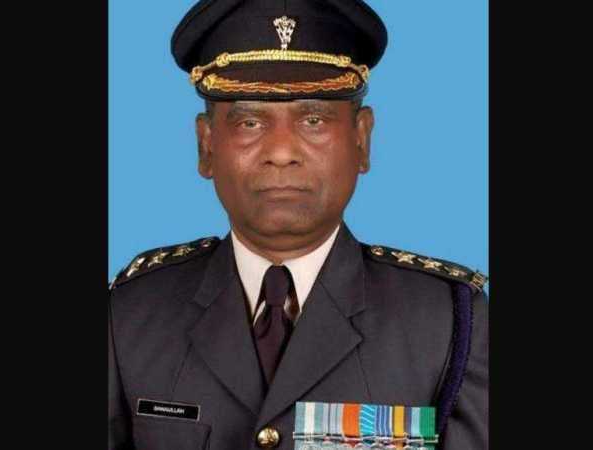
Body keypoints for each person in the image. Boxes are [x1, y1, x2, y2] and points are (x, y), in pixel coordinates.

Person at [108, 1, 488, 449]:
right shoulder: (129, 316)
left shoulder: (449, 323)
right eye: (250, 121)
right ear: (206, 146)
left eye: (313, 120)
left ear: (362, 140)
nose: (282, 152)